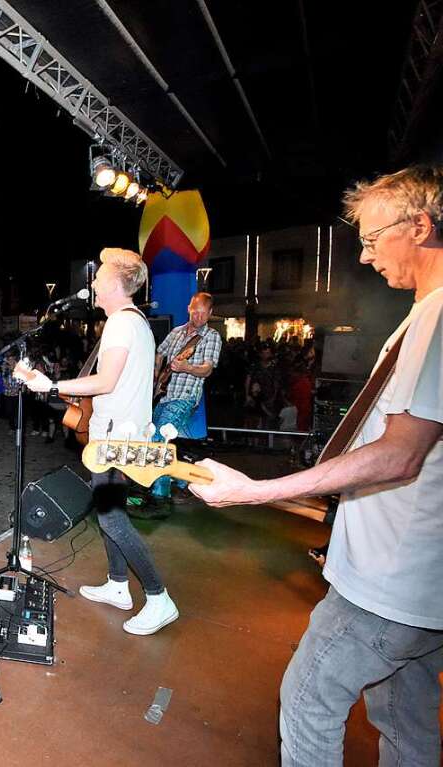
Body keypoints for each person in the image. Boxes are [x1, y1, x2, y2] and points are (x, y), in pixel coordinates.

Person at [189, 165, 443, 766]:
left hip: (391, 582)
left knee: (308, 702)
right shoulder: (422, 314)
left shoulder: (436, 317)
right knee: (404, 723)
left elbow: (401, 453)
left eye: (373, 238)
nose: (364, 255)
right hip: (415, 577)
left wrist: (259, 491)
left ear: (421, 226)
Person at [24, 248, 179, 636]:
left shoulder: (121, 325)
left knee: (112, 518)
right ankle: (117, 584)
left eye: (98, 277)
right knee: (109, 510)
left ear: (113, 284)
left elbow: (106, 381)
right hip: (118, 435)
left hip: (115, 440)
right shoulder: (135, 323)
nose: (92, 283)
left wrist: (52, 384)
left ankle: (159, 597)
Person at [149, 292, 222, 503]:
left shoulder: (210, 337)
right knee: (152, 436)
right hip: (164, 395)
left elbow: (207, 370)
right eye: (195, 311)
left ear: (210, 313)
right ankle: (183, 481)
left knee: (159, 440)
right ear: (189, 309)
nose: (198, 317)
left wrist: (186, 367)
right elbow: (159, 352)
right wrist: (156, 376)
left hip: (185, 397)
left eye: (203, 313)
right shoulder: (176, 332)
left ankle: (160, 494)